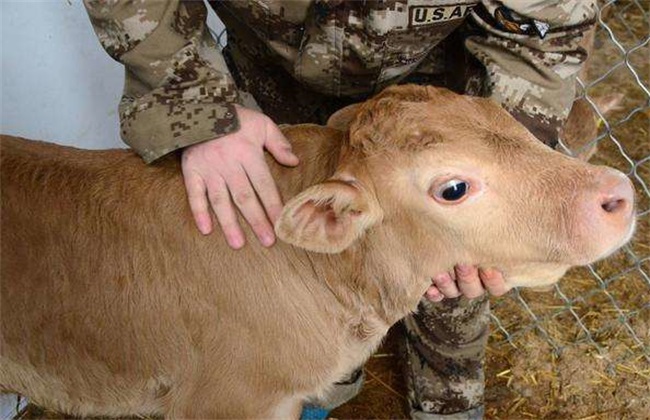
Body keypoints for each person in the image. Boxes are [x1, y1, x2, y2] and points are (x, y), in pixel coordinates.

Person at [83, 1, 596, 418]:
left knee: (451, 271)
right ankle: (318, 385)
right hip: (270, 93)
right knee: (282, 268)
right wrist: (194, 105)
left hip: (442, 97)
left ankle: (447, 402)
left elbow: (549, 22)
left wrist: (509, 155)